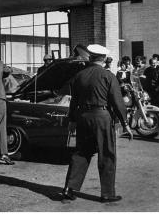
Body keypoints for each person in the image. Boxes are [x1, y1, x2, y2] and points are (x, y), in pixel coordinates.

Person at [61, 44, 133, 203]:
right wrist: (126, 123)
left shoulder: (79, 75)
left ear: (91, 57)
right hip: (102, 117)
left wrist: (72, 120)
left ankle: (69, 189)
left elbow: (74, 101)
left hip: (83, 117)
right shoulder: (108, 76)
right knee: (107, 154)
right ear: (104, 59)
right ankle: (107, 193)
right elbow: (117, 102)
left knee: (81, 153)